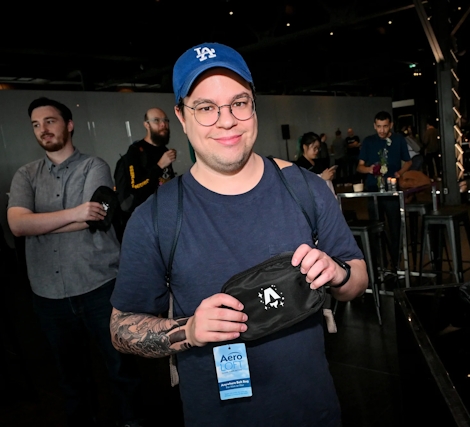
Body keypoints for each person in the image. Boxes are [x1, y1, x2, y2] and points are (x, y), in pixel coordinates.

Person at [109, 42, 368, 427]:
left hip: (314, 410)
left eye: (239, 103)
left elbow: (358, 277)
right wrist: (189, 330)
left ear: (253, 106)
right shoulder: (157, 217)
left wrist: (339, 273)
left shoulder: (306, 190)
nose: (226, 120)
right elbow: (120, 329)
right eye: (206, 108)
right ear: (181, 115)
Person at [7, 97, 142, 427]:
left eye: (50, 121)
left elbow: (96, 218)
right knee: (71, 378)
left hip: (98, 287)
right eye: (36, 125)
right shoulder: (25, 175)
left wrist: (41, 220)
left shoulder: (94, 166)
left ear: (69, 125)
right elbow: (17, 225)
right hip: (48, 295)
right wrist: (75, 212)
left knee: (121, 369)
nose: (43, 130)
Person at [357, 111, 412, 268]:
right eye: (379, 126)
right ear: (374, 125)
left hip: (392, 189)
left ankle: (396, 264)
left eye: (385, 126)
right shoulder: (368, 141)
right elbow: (359, 167)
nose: (381, 130)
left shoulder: (399, 140)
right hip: (373, 190)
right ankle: (380, 264)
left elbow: (408, 162)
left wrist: (399, 173)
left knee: (395, 228)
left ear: (391, 125)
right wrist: (369, 170)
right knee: (376, 229)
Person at [114, 108, 177, 225]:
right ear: (146, 125)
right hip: (144, 218)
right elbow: (136, 186)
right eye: (156, 120)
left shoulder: (164, 150)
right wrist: (159, 165)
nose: (163, 124)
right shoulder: (135, 151)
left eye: (165, 120)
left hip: (166, 214)